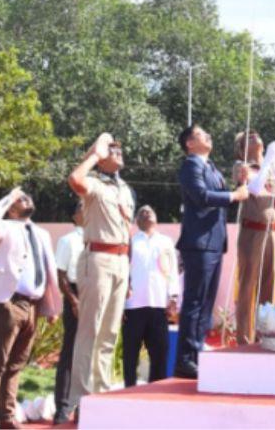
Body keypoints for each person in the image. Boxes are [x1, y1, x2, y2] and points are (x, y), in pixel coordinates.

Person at [66, 133, 135, 417]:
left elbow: (128, 230)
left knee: (109, 333)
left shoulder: (125, 189)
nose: (117, 152)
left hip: (120, 260)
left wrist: (129, 273)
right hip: (98, 258)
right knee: (90, 330)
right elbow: (75, 179)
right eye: (111, 150)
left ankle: (102, 394)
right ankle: (81, 400)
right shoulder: (94, 182)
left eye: (119, 150)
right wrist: (96, 153)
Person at [174, 124, 249, 379]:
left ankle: (197, 353)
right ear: (189, 144)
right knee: (195, 301)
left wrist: (239, 185)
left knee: (206, 302)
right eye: (200, 134)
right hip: (199, 243)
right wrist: (234, 195)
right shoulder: (191, 166)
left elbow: (223, 198)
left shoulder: (211, 167)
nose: (208, 135)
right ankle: (185, 359)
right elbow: (201, 196)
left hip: (214, 242)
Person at [0, 187, 60, 430]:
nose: (25, 198)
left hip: (33, 306)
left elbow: (49, 270)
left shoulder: (41, 233)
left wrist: (51, 307)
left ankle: (7, 417)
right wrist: (5, 201)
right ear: (11, 209)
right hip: (8, 303)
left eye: (26, 196)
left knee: (16, 364)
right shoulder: (4, 227)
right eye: (19, 199)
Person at [232, 131, 275, 345]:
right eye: (248, 138)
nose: (255, 137)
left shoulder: (272, 166)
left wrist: (274, 166)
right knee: (248, 284)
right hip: (253, 232)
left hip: (273, 232)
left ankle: (264, 335)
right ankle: (244, 338)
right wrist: (269, 160)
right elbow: (254, 188)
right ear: (241, 149)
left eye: (256, 135)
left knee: (269, 283)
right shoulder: (241, 166)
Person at [122, 205, 179, 388]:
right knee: (130, 354)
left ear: (156, 218)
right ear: (136, 221)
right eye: (142, 212)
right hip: (133, 307)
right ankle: (129, 390)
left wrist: (173, 298)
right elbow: (123, 272)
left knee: (160, 353)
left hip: (158, 305)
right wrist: (120, 305)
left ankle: (156, 391)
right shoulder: (130, 242)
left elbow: (172, 271)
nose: (146, 212)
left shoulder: (166, 242)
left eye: (150, 211)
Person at [52, 202, 85, 425]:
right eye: (82, 207)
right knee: (70, 352)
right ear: (74, 216)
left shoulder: (98, 238)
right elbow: (61, 274)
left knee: (89, 354)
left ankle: (84, 407)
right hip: (75, 294)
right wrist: (73, 301)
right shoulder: (68, 240)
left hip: (94, 293)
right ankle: (63, 407)